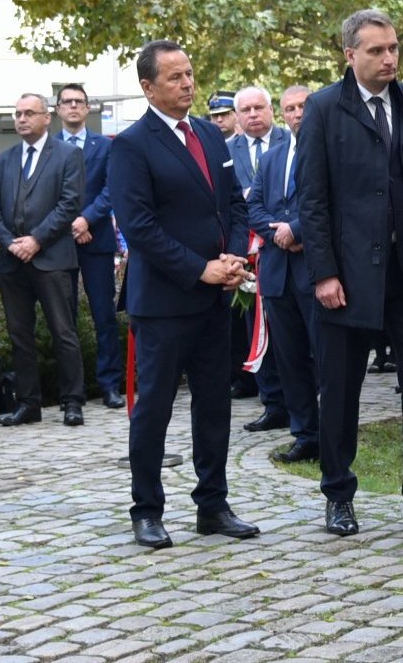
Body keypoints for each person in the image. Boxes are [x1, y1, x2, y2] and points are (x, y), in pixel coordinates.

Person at [298, 8, 403, 539]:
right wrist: (323, 272)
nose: (389, 58)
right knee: (340, 393)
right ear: (350, 55)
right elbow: (313, 199)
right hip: (346, 279)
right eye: (376, 50)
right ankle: (338, 496)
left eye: (393, 49)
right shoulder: (324, 109)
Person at [109, 40, 258, 548]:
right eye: (175, 77)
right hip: (165, 303)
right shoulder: (131, 145)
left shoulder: (212, 137)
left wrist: (234, 258)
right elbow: (140, 227)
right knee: (153, 408)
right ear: (148, 87)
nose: (188, 84)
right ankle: (147, 509)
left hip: (217, 299)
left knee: (215, 405)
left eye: (190, 74)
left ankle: (212, 506)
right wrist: (201, 270)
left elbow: (236, 207)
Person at [0, 93, 87, 428]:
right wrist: (10, 243)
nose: (21, 119)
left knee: (63, 331)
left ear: (47, 118)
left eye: (29, 113)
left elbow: (69, 204)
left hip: (52, 257)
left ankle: (72, 402)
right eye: (17, 113)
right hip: (12, 261)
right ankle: (29, 403)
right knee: (19, 334)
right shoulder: (4, 159)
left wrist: (36, 240)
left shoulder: (68, 155)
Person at [244, 84, 321, 464]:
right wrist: (278, 232)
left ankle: (332, 433)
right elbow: (253, 206)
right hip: (277, 272)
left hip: (315, 271)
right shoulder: (272, 158)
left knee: (323, 356)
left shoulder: (328, 151)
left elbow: (331, 203)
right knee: (289, 359)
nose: (297, 114)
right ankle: (305, 434)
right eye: (289, 108)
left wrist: (298, 229)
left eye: (303, 106)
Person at [55, 83, 125, 409]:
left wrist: (86, 220)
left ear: (87, 108)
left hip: (96, 239)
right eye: (66, 102)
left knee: (104, 316)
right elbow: (46, 193)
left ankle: (110, 385)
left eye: (78, 102)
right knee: (63, 319)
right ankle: (73, 391)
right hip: (59, 243)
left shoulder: (105, 146)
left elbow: (112, 189)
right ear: (58, 109)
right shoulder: (50, 147)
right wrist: (72, 223)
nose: (73, 107)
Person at [228, 86, 292, 418]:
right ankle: (272, 402)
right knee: (256, 329)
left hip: (287, 247)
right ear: (237, 116)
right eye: (246, 110)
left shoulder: (291, 142)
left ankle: (302, 401)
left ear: (271, 110)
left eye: (259, 107)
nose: (253, 114)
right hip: (248, 255)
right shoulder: (228, 150)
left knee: (288, 330)